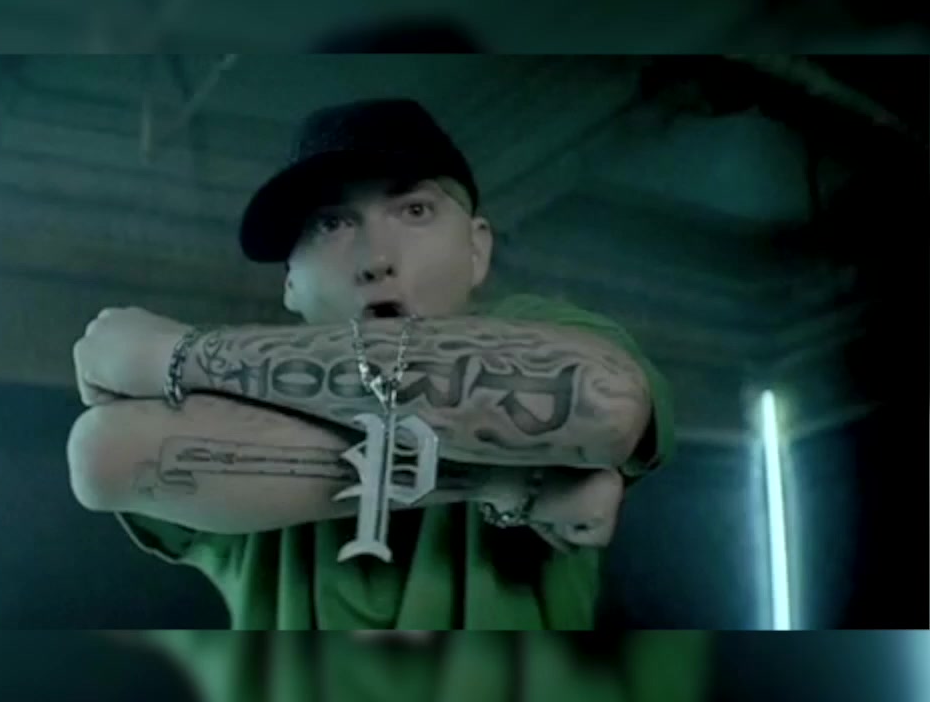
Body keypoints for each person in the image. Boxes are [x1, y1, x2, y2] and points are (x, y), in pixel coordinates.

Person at [67, 98, 675, 630]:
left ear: (476, 247)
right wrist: (509, 481)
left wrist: (180, 354)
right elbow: (105, 455)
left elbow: (604, 402)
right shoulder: (233, 389)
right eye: (331, 223)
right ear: (290, 282)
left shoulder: (541, 327)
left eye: (414, 211)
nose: (376, 258)